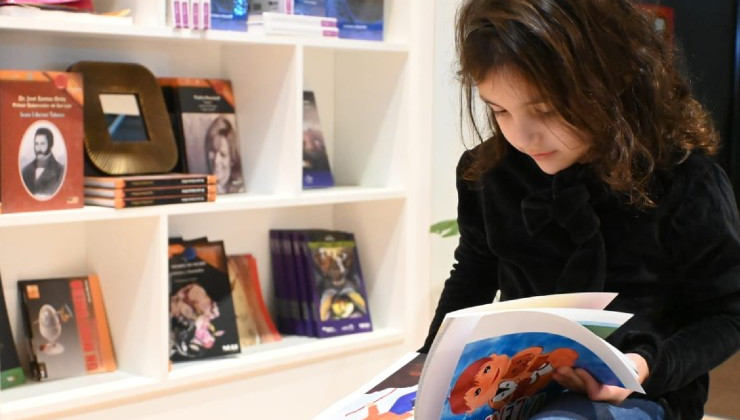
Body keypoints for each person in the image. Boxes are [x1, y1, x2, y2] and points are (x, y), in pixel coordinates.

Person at [420, 1, 740, 419]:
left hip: (643, 394)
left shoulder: (684, 180)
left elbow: (727, 315)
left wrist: (644, 368)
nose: (522, 135)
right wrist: (426, 368)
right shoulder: (489, 174)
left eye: (545, 110)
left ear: (611, 77)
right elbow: (473, 275)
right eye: (499, 110)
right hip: (515, 389)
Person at [204, 116, 244, 194]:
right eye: (212, 151)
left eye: (222, 154)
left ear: (232, 159)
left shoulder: (241, 190)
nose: (216, 161)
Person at [21, 127, 64, 196]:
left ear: (50, 145)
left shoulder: (60, 170)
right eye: (36, 144)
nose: (39, 148)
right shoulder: (26, 170)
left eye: (42, 144)